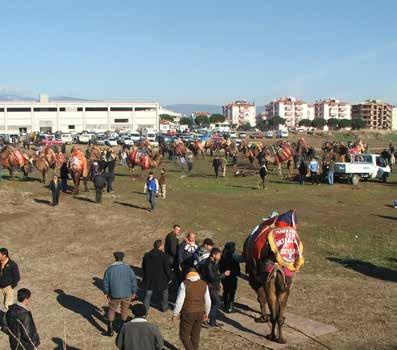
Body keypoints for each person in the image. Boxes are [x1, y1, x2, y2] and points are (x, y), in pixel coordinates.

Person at [172, 269, 211, 350]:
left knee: (184, 336)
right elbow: (208, 301)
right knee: (195, 336)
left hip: (188, 312)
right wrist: (206, 313)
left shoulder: (184, 284)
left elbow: (179, 301)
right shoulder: (204, 284)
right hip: (200, 312)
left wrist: (175, 313)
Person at [103, 252, 137, 336]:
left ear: (115, 258)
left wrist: (106, 292)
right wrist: (134, 291)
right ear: (123, 258)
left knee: (111, 310)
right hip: (127, 293)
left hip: (114, 294)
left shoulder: (109, 269)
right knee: (124, 309)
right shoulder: (128, 268)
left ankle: (110, 330)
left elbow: (105, 282)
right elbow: (133, 280)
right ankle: (122, 328)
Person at [199, 248, 230, 327]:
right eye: (219, 255)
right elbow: (212, 278)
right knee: (217, 302)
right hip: (210, 286)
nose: (220, 256)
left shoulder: (213, 262)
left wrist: (219, 283)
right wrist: (224, 275)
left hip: (213, 285)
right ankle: (208, 319)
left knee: (213, 303)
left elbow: (215, 274)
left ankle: (212, 321)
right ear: (213, 255)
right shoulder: (209, 264)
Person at [142, 240, 172, 315]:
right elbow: (167, 269)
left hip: (149, 279)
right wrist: (170, 278)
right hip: (161, 279)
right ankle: (164, 307)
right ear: (160, 246)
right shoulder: (164, 256)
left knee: (148, 295)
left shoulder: (147, 255)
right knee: (165, 291)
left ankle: (144, 312)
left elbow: (143, 267)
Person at [219, 242, 241, 313]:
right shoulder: (233, 256)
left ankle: (225, 305)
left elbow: (220, 266)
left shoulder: (222, 255)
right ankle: (230, 307)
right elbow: (239, 263)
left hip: (224, 276)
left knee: (225, 291)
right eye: (233, 247)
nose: (234, 249)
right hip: (232, 276)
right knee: (232, 292)